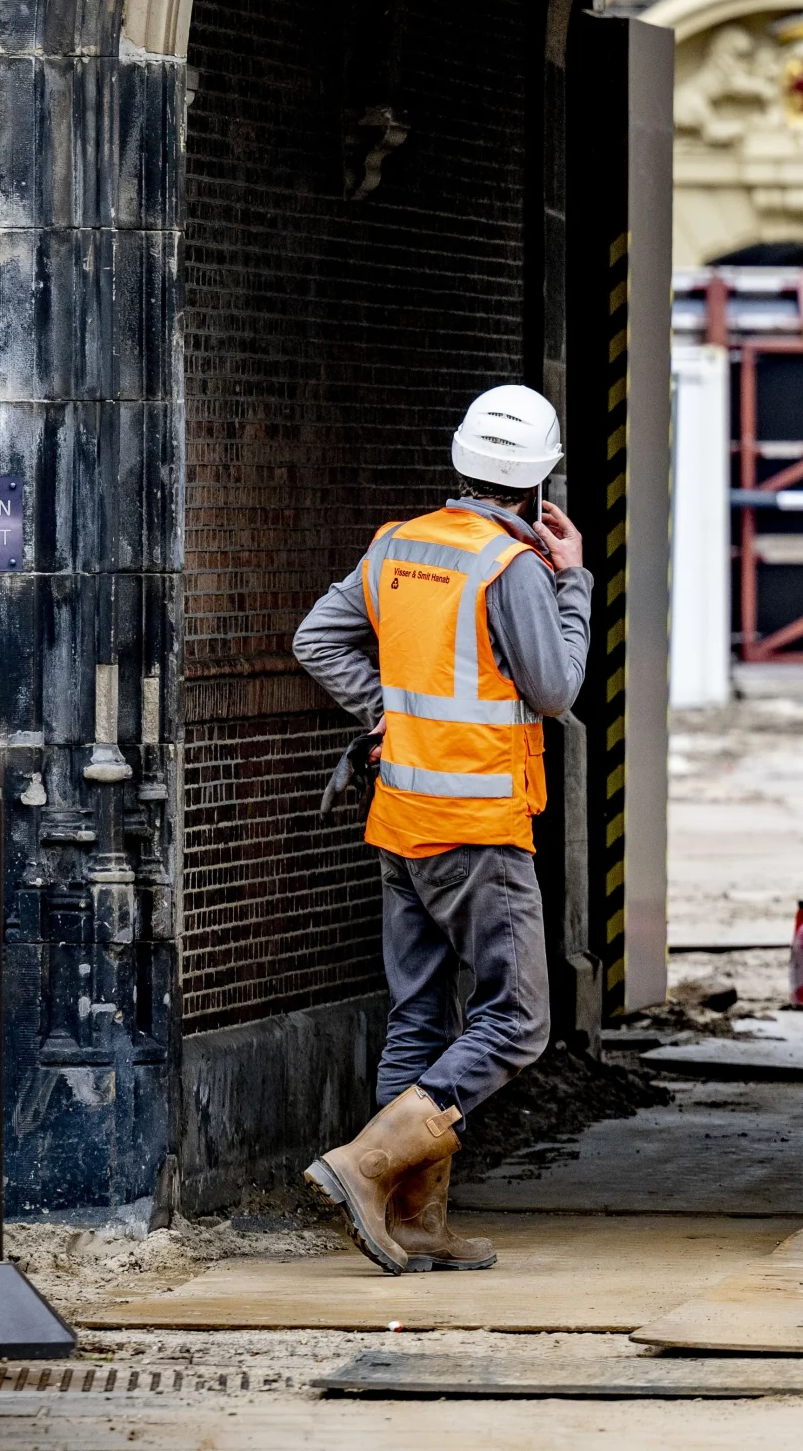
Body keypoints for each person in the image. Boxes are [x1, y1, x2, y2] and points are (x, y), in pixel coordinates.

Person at [289, 384, 589, 1274]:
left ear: (461, 460)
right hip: (478, 828)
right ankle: (366, 1164)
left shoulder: (397, 545)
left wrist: (387, 713)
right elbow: (556, 689)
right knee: (519, 1022)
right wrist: (572, 582)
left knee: (420, 1017)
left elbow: (317, 640)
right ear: (538, 484)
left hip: (401, 821)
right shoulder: (516, 568)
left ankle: (414, 1223)